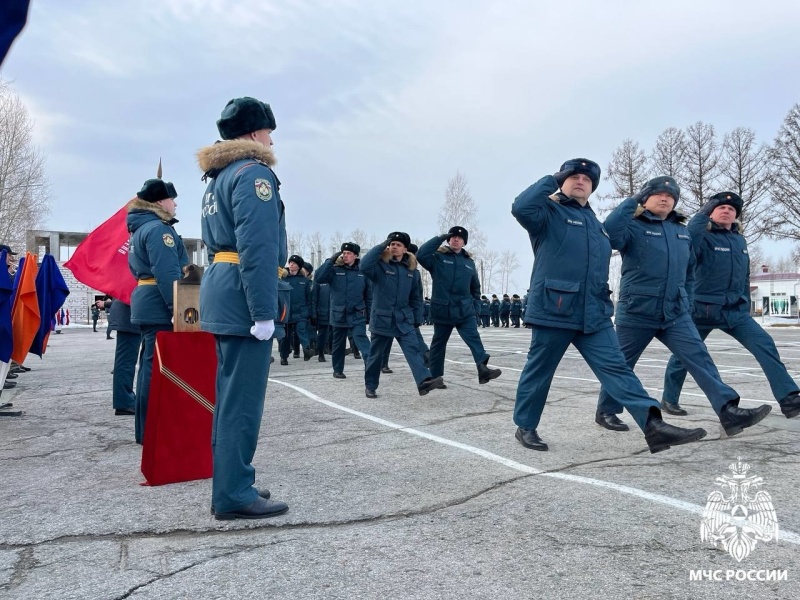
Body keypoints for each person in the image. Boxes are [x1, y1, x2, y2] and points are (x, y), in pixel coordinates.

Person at [511, 158, 707, 453]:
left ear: (592, 189)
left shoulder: (594, 223)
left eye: (587, 179)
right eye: (573, 176)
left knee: (618, 369)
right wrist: (552, 179)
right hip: (555, 308)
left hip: (595, 312)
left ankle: (653, 426)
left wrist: (636, 198)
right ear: (562, 180)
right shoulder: (547, 213)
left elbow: (613, 237)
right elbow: (520, 207)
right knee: (540, 371)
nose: (580, 181)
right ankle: (525, 426)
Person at [594, 177, 772, 437]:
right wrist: (632, 201)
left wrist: (686, 300)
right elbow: (610, 233)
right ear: (645, 198)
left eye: (670, 195)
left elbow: (689, 271)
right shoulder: (632, 225)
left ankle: (728, 410)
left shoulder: (680, 231)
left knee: (699, 357)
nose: (665, 198)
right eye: (658, 194)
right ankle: (607, 410)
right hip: (637, 310)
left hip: (675, 311)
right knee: (622, 363)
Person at [198, 96, 289, 520]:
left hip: (222, 286)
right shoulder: (255, 175)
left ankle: (233, 478)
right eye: (269, 131)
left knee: (229, 396)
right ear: (255, 133)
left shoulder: (218, 177)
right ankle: (234, 492)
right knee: (242, 402)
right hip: (242, 294)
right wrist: (264, 310)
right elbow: (257, 247)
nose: (272, 139)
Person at [662, 192, 800, 420]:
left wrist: (744, 304)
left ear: (736, 216)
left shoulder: (739, 240)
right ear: (711, 212)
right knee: (684, 356)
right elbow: (688, 243)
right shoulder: (700, 236)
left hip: (734, 311)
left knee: (765, 344)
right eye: (720, 207)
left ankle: (789, 398)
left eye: (731, 209)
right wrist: (703, 213)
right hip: (701, 310)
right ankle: (669, 398)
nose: (726, 211)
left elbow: (744, 276)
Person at [127, 177, 188, 445]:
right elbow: (167, 272)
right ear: (160, 201)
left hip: (147, 299)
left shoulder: (141, 228)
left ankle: (146, 429)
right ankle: (154, 429)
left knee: (148, 366)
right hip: (159, 302)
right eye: (172, 199)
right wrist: (177, 306)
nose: (175, 204)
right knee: (155, 368)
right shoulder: (157, 230)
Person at [361, 232, 442, 398]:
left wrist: (417, 319)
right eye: (392, 244)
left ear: (405, 249)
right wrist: (380, 246)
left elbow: (416, 298)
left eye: (398, 244)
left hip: (404, 319)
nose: (394, 247)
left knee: (413, 350)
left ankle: (424, 381)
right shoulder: (379, 266)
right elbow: (364, 265)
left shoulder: (411, 271)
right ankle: (370, 385)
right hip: (382, 319)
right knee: (376, 356)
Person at [417, 227, 501, 385]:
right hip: (443, 310)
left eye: (459, 238)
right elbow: (421, 255)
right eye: (452, 237)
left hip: (464, 310)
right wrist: (439, 238)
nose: (456, 239)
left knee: (474, 338)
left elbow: (475, 288)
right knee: (438, 344)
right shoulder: (438, 258)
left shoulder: (469, 262)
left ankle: (483, 370)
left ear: (464, 242)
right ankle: (435, 377)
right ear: (448, 240)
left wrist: (475, 308)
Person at [315, 242, 372, 378]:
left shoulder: (362, 271)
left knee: (362, 341)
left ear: (356, 255)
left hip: (358, 313)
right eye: (343, 253)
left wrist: (369, 313)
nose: (345, 255)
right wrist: (330, 261)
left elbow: (369, 294)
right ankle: (338, 370)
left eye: (349, 253)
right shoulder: (334, 270)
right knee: (338, 344)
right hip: (338, 313)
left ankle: (370, 367)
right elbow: (318, 278)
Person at [279, 255, 313, 365]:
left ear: (299, 266)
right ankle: (284, 357)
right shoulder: (283, 279)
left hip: (301, 312)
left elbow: (309, 298)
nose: (291, 264)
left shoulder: (305, 281)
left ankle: (307, 350)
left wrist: (309, 312)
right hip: (286, 312)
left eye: (294, 263)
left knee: (302, 330)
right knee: (286, 336)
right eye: (290, 262)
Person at [108, 299, 140, 416]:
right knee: (125, 361)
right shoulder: (133, 281)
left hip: (127, 316)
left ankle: (125, 401)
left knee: (126, 360)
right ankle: (124, 402)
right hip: (128, 316)